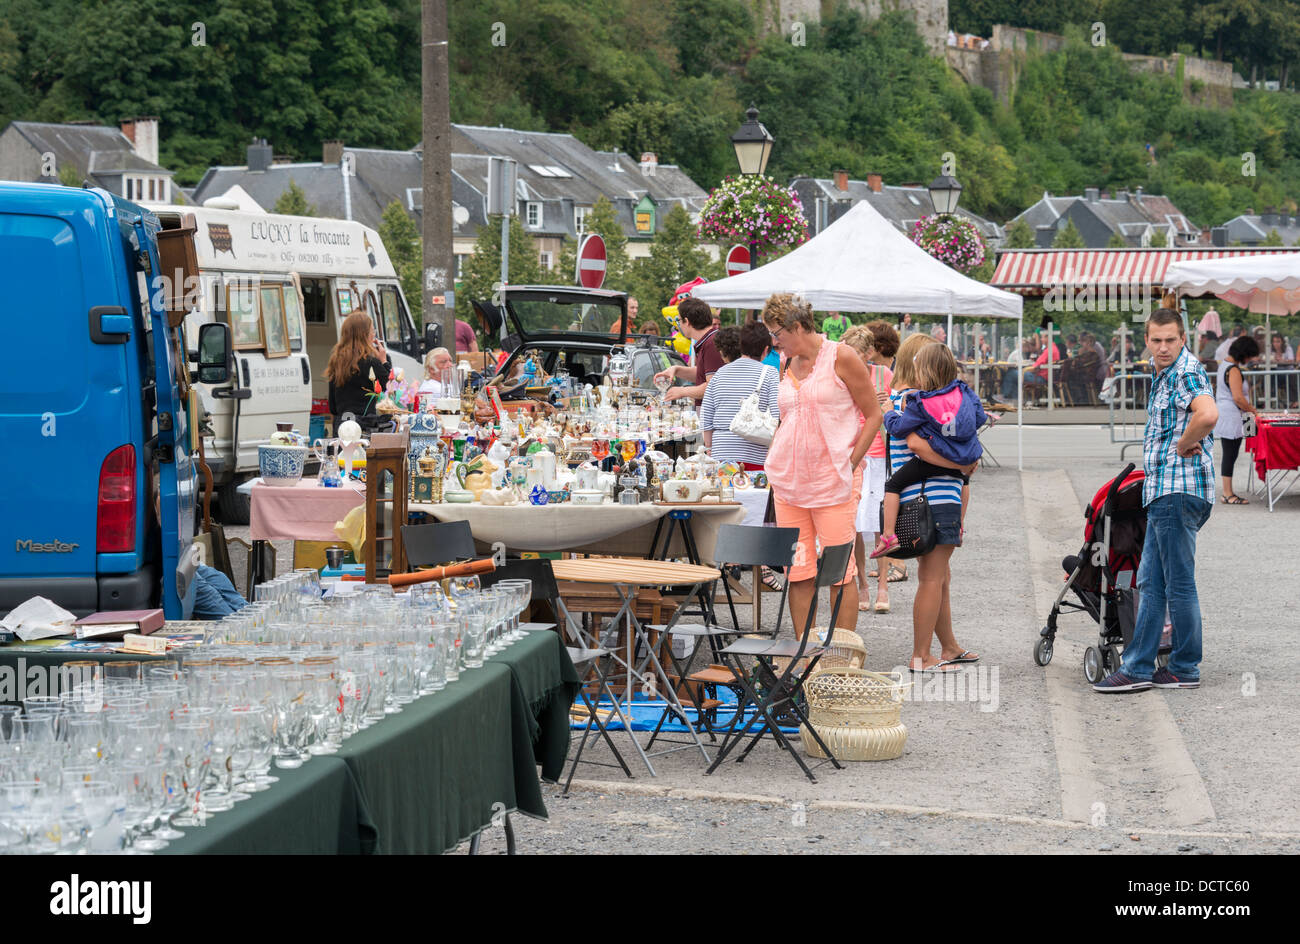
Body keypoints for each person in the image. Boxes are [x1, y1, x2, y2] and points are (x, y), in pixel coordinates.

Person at [1095, 307, 1217, 692]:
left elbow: (1208, 414)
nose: (1163, 347)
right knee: (1152, 581)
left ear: (1183, 339)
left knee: (1176, 584)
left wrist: (1184, 442)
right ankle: (1143, 666)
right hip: (1170, 492)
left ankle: (1178, 667)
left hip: (1176, 491)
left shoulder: (1184, 371)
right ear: (1146, 341)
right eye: (1156, 340)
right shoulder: (1166, 371)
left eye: (1171, 340)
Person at [762, 293, 883, 633]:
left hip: (834, 485)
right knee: (798, 571)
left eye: (778, 334)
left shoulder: (841, 356)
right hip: (790, 484)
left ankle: (841, 658)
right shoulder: (787, 364)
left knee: (838, 573)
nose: (775, 342)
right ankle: (805, 657)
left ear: (798, 327)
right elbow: (787, 420)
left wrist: (851, 462)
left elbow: (873, 415)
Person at [883, 334, 978, 672]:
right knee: (932, 579)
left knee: (939, 578)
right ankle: (921, 655)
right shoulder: (917, 402)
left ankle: (948, 646)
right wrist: (963, 464)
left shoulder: (902, 401)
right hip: (934, 497)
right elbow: (919, 446)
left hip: (919, 497)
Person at [872, 343, 984, 558]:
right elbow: (979, 417)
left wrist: (888, 413)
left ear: (923, 373)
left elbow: (898, 429)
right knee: (964, 480)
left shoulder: (920, 401)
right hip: (965, 455)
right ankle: (959, 527)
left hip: (933, 459)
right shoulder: (963, 392)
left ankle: (887, 536)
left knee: (893, 484)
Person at [841, 324, 895, 612]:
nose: (858, 359)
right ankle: (862, 582)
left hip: (877, 453)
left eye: (862, 353)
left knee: (879, 523)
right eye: (853, 353)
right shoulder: (842, 375)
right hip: (853, 453)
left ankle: (883, 585)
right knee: (856, 524)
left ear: (871, 353)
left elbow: (896, 415)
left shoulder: (883, 375)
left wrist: (885, 408)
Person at [699, 323, 779, 470]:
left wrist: (710, 448)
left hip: (721, 455)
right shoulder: (770, 373)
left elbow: (706, 416)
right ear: (766, 350)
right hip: (756, 455)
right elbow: (776, 415)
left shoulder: (719, 374)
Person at [651, 297, 723, 407]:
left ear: (687, 321)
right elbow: (702, 375)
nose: (679, 325)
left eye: (679, 320)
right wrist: (676, 369)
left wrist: (682, 391)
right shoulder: (708, 340)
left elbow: (712, 386)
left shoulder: (711, 343)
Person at [1214, 335, 1259, 505]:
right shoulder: (1233, 369)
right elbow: (1238, 398)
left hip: (1233, 414)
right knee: (1230, 453)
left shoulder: (1224, 365)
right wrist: (1254, 411)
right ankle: (1227, 493)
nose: (1249, 360)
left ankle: (1228, 491)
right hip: (1234, 415)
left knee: (1231, 452)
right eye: (1249, 356)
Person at [326, 312, 391, 426]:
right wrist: (384, 361)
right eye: (372, 331)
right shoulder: (371, 362)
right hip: (365, 427)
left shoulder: (336, 362)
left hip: (342, 427)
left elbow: (333, 407)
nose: (374, 334)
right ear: (365, 335)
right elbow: (391, 389)